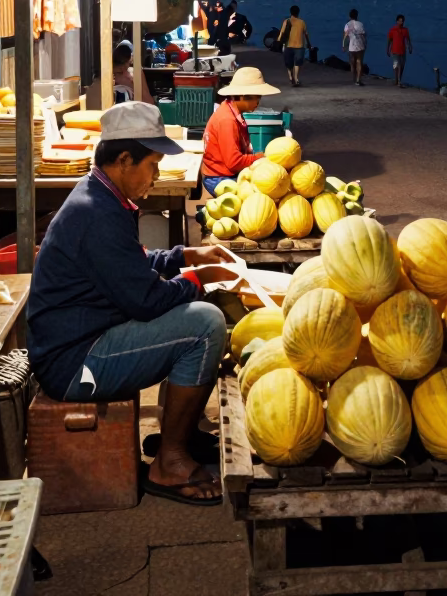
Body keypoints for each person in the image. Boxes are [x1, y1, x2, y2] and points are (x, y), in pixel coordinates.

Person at [27, 102, 238, 505]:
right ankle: (169, 462)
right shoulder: (95, 213)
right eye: (153, 165)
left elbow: (130, 264)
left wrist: (183, 258)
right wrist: (200, 280)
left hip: (85, 337)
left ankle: (181, 433)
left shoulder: (101, 197)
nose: (156, 177)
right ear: (124, 160)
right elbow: (145, 300)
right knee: (205, 325)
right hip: (73, 362)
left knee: (191, 309)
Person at [201, 66, 280, 195]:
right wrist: (260, 158)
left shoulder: (232, 111)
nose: (258, 102)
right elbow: (234, 162)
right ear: (244, 96)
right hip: (219, 178)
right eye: (257, 97)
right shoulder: (227, 120)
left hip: (224, 174)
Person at [85, 41, 155, 107]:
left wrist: (132, 85)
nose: (123, 74)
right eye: (117, 73)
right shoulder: (97, 87)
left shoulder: (135, 74)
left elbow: (149, 103)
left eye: (122, 72)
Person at [278, 5, 311, 86]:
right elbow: (306, 34)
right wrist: (309, 43)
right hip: (299, 46)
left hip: (288, 45)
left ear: (290, 12)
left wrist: (278, 41)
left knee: (288, 63)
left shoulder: (286, 21)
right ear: (298, 12)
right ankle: (295, 78)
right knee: (297, 63)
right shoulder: (302, 22)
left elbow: (281, 33)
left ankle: (291, 77)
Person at [386, 14, 413, 87]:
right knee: (396, 66)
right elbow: (389, 40)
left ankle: (398, 80)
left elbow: (408, 40)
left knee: (402, 66)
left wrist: (410, 47)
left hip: (403, 51)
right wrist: (387, 49)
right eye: (400, 21)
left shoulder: (405, 30)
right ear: (397, 21)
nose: (401, 23)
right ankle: (397, 80)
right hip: (394, 51)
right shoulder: (393, 30)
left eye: (402, 21)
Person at [343, 8, 367, 86]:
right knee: (359, 61)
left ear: (350, 16)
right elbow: (364, 35)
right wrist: (365, 43)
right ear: (357, 16)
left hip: (351, 46)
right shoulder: (360, 24)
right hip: (360, 44)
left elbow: (346, 37)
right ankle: (358, 80)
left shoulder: (347, 25)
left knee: (352, 62)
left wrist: (344, 46)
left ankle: (354, 78)